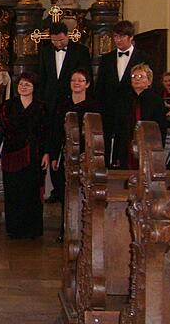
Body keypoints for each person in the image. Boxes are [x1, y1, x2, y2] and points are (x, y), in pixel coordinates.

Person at [36, 21, 91, 204]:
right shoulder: (45, 52)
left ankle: (76, 187)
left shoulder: (81, 51)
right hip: (52, 105)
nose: (58, 44)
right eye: (54, 41)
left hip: (73, 103)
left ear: (67, 35)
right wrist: (42, 103)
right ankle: (57, 189)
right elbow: (43, 79)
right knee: (53, 142)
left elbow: (86, 76)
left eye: (60, 40)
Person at [0, 72, 49, 239]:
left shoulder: (41, 107)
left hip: (34, 154)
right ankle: (14, 228)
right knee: (14, 191)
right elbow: (0, 129)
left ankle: (32, 229)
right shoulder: (8, 105)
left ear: (34, 88)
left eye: (28, 84)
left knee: (31, 191)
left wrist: (46, 152)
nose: (23, 87)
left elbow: (45, 132)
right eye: (21, 84)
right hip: (12, 154)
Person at [48, 68, 100, 242]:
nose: (76, 83)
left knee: (84, 193)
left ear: (87, 84)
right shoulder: (63, 105)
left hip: (86, 154)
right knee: (66, 193)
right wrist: (54, 155)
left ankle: (84, 230)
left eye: (80, 80)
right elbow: (55, 131)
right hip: (66, 154)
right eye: (73, 80)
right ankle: (66, 228)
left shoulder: (94, 106)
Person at [95, 20, 151, 164]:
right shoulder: (107, 59)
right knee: (107, 150)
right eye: (115, 37)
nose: (118, 40)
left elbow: (148, 84)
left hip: (132, 110)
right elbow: (100, 87)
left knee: (128, 149)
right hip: (110, 112)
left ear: (131, 37)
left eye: (121, 36)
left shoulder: (143, 57)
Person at [112, 63, 167, 169]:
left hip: (148, 146)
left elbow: (161, 128)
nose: (136, 79)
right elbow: (119, 128)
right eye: (133, 77)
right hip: (126, 145)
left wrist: (158, 152)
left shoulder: (156, 101)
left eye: (141, 76)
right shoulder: (125, 100)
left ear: (149, 81)